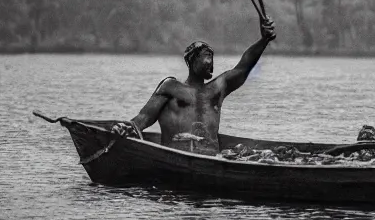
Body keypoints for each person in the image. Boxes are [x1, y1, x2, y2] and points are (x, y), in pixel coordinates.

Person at [112, 17, 276, 154]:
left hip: (210, 161)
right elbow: (143, 118)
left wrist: (264, 40)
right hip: (176, 159)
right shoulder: (171, 87)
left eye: (212, 57)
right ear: (191, 60)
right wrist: (126, 128)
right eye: (206, 56)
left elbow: (243, 67)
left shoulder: (217, 88)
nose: (210, 62)